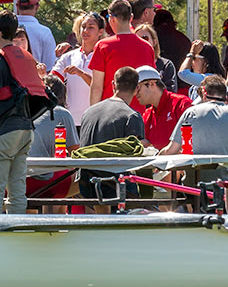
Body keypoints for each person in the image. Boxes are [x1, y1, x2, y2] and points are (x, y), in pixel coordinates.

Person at [0, 11, 40, 214]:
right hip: (25, 130)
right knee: (17, 193)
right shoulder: (26, 56)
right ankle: (18, 234)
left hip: (3, 131)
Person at [160, 74, 228, 186]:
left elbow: (171, 150)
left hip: (193, 184)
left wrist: (157, 157)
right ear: (225, 94)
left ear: (204, 93)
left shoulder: (191, 113)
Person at [79, 66, 146, 201]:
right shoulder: (131, 116)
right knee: (147, 197)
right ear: (137, 88)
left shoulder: (88, 112)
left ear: (113, 85)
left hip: (85, 181)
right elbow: (136, 155)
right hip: (115, 183)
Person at [89, 0, 154, 104]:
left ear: (111, 19)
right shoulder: (147, 47)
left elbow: (97, 86)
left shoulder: (103, 46)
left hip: (109, 111)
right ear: (131, 17)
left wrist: (93, 114)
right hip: (139, 113)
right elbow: (151, 83)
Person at [27, 75, 79, 204]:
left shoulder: (25, 110)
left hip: (18, 181)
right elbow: (76, 154)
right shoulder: (62, 113)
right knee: (84, 180)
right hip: (48, 183)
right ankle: (60, 219)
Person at [0, 0, 57, 69]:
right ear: (37, 6)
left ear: (17, 6)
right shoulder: (45, 32)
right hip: (35, 79)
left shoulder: (0, 29)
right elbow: (50, 67)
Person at [52, 12, 104, 126]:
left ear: (100, 31)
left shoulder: (104, 55)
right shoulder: (69, 56)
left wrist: (81, 74)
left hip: (94, 120)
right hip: (70, 121)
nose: (85, 31)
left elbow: (102, 87)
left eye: (91, 27)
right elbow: (52, 80)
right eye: (83, 27)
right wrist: (41, 73)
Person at [135, 64, 192, 149]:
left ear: (152, 83)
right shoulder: (147, 114)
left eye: (137, 87)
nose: (135, 93)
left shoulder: (181, 104)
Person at [133, 23, 177, 91]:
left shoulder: (166, 65)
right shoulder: (131, 65)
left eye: (145, 38)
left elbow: (171, 90)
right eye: (137, 39)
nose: (141, 42)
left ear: (154, 42)